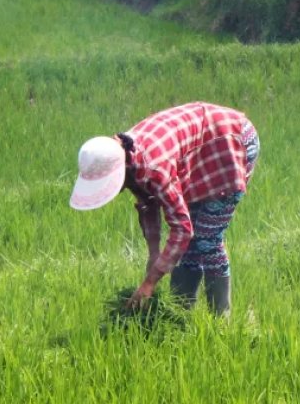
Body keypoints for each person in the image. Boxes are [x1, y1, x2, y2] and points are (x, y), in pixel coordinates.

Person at [69, 102, 259, 316]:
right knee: (189, 245)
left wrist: (150, 282)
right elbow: (148, 202)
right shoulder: (128, 159)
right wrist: (154, 253)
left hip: (231, 141)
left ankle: (221, 320)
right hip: (200, 149)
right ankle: (181, 315)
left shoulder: (154, 167)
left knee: (207, 239)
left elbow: (182, 229)